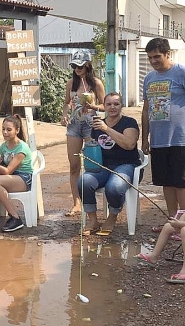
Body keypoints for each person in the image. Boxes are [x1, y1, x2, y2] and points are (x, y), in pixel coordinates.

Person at [141, 38, 185, 232]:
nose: (154, 61)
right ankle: (172, 222)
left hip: (181, 139)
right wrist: (145, 138)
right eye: (150, 58)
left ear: (167, 54)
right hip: (159, 141)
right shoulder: (149, 78)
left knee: (183, 183)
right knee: (167, 182)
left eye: (157, 56)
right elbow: (146, 110)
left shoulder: (183, 73)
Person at [77, 92, 140, 236]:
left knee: (114, 186)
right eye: (109, 104)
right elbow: (93, 147)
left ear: (121, 106)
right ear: (104, 106)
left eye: (116, 104)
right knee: (83, 181)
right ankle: (93, 220)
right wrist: (87, 148)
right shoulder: (98, 124)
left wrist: (106, 129)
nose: (112, 107)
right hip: (103, 166)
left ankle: (112, 216)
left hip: (127, 165)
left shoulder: (129, 122)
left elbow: (129, 144)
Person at [61, 50, 106, 217]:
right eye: (74, 66)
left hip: (90, 125)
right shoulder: (70, 83)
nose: (77, 69)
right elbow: (66, 103)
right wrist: (64, 115)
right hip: (73, 126)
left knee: (91, 166)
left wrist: (93, 106)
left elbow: (105, 105)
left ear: (88, 65)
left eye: (80, 65)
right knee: (74, 166)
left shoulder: (96, 84)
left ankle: (90, 204)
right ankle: (76, 203)